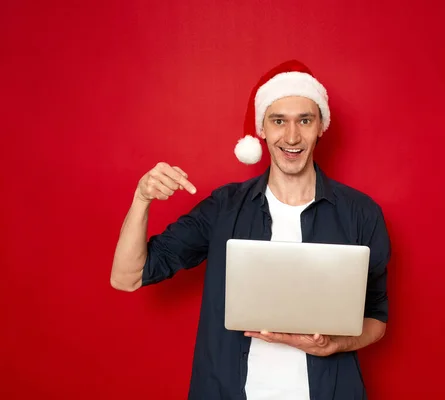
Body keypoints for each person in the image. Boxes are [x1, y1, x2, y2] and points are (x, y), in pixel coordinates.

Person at [110, 60, 391, 400]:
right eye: (278, 121)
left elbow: (376, 318)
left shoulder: (360, 213)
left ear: (320, 126)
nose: (291, 136)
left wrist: (336, 345)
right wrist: (142, 198)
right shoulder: (224, 208)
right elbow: (127, 277)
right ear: (262, 130)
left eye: (304, 120)